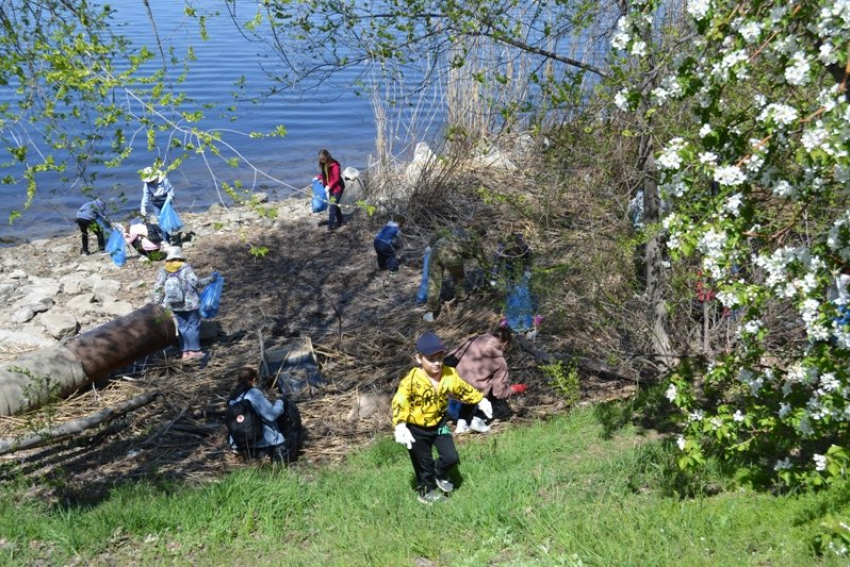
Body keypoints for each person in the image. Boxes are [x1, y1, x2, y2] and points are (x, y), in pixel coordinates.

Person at [391, 332, 492, 504]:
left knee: (451, 457)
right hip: (416, 428)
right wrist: (400, 424)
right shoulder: (412, 380)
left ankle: (440, 472)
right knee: (423, 464)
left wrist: (480, 399)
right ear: (419, 358)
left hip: (439, 424)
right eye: (431, 358)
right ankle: (425, 492)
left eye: (440, 357)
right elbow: (400, 399)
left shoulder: (449, 374)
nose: (437, 362)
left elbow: (462, 389)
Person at [447, 327, 527, 435]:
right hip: (472, 396)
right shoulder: (499, 361)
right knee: (487, 388)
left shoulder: (474, 340)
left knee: (470, 382)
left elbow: (453, 356)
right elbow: (499, 393)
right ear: (506, 343)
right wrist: (516, 388)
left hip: (452, 390)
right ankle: (478, 419)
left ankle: (462, 422)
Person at [152, 246, 219, 361]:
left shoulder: (163, 270)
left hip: (173, 303)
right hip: (190, 303)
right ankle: (195, 351)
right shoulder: (185, 268)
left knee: (183, 327)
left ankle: (185, 353)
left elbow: (158, 286)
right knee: (193, 325)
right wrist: (211, 279)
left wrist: (157, 302)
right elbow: (196, 283)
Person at [423, 227, 489, 322]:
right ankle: (462, 301)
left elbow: (439, 233)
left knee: (433, 282)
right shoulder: (476, 241)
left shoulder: (458, 231)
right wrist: (490, 277)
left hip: (436, 249)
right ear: (481, 236)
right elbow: (483, 263)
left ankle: (431, 312)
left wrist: (430, 245)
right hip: (450, 254)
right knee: (459, 279)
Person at [227, 367, 290, 462]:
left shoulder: (233, 396)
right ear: (254, 380)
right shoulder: (254, 393)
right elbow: (272, 415)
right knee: (286, 443)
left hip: (239, 442)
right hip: (262, 442)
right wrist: (280, 401)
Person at [140, 166, 175, 242]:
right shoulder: (147, 184)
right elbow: (145, 195)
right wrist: (143, 207)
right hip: (155, 203)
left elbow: (171, 192)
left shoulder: (164, 181)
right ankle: (165, 238)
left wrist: (168, 202)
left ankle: (167, 237)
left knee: (166, 220)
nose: (150, 182)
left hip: (166, 202)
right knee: (160, 220)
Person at [318, 149, 345, 232]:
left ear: (327, 157)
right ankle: (340, 221)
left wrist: (329, 186)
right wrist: (317, 178)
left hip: (337, 188)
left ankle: (330, 227)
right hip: (330, 187)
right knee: (335, 205)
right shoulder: (324, 164)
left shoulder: (335, 165)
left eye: (323, 159)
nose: (322, 161)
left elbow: (336, 179)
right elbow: (324, 174)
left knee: (332, 207)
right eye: (320, 160)